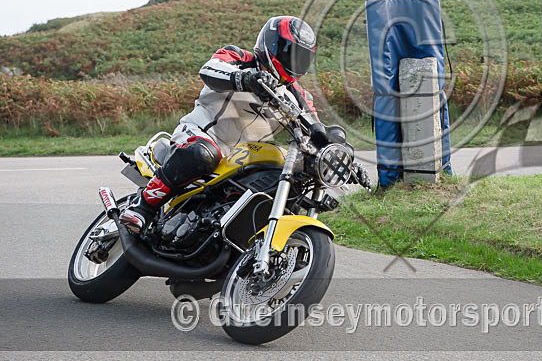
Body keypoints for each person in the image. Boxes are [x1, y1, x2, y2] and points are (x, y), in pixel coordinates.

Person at [120, 15, 366, 235]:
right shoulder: (239, 58)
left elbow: (316, 129)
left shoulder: (298, 96)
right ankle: (144, 206)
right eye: (290, 52)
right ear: (271, 45)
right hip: (200, 137)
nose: (295, 61)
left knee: (280, 177)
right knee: (204, 154)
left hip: (240, 158)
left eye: (301, 57)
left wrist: (345, 160)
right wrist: (245, 78)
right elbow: (209, 69)